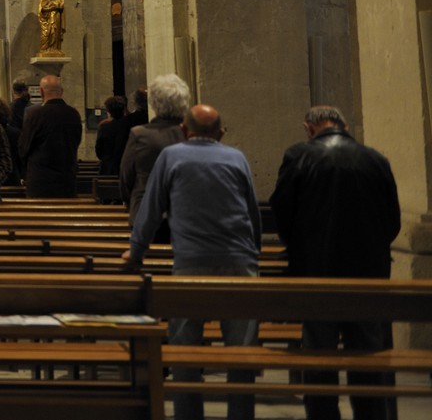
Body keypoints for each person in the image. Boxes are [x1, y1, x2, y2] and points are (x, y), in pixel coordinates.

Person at [123, 105, 262, 420]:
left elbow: (151, 207)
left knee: (185, 349)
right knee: (241, 351)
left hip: (191, 263)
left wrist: (136, 250)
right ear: (221, 132)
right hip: (239, 262)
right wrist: (253, 252)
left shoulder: (171, 157)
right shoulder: (236, 157)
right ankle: (241, 415)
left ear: (185, 131)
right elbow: (252, 212)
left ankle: (188, 415)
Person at [270, 106, 401, 420]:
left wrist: (299, 248)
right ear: (343, 126)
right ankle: (371, 414)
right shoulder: (375, 159)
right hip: (368, 277)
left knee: (318, 355)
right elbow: (392, 221)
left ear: (310, 127)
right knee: (368, 355)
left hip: (317, 274)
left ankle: (323, 415)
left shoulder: (299, 155)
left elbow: (282, 212)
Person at [119, 72, 191, 222]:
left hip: (147, 215)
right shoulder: (193, 136)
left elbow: (126, 177)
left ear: (153, 102)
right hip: (186, 215)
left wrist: (131, 200)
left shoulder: (140, 135)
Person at [18, 74, 82, 197]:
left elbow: (23, 147)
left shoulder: (35, 114)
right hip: (66, 179)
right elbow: (76, 141)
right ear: (62, 91)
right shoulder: (73, 114)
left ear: (41, 92)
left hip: (40, 180)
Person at [94, 94, 129, 177]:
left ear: (109, 111)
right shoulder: (129, 126)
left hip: (108, 167)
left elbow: (99, 149)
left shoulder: (104, 127)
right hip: (126, 167)